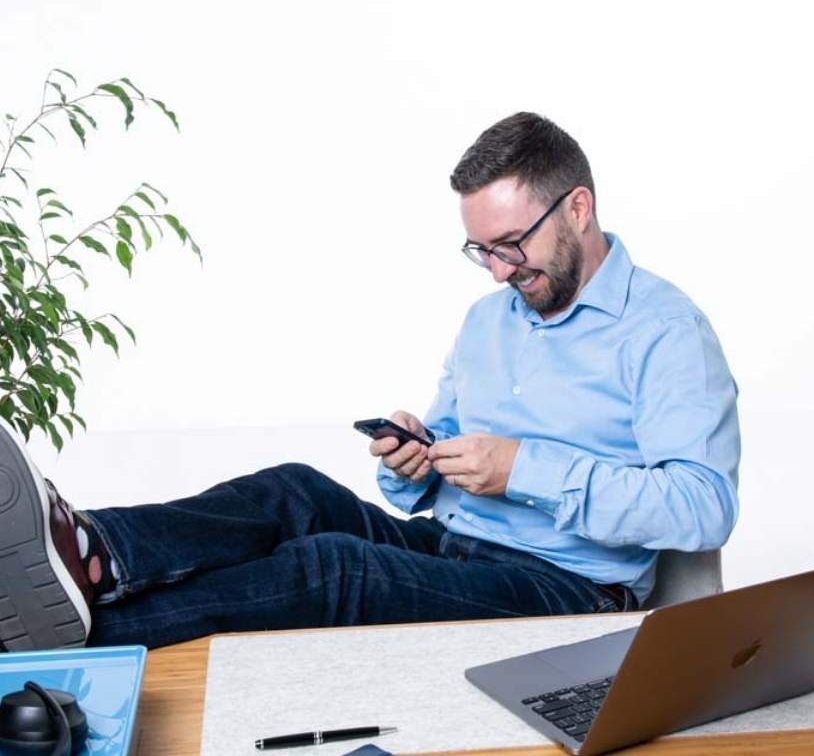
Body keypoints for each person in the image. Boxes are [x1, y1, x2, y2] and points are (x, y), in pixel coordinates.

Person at [0, 112, 740, 651]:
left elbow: (703, 509)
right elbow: (436, 474)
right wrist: (415, 459)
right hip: (453, 548)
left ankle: (75, 636)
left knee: (331, 570)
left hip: (568, 591)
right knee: (295, 491)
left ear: (578, 206)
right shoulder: (490, 319)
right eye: (480, 251)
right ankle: (92, 551)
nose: (500, 270)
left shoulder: (665, 333)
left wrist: (522, 469)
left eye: (512, 245)